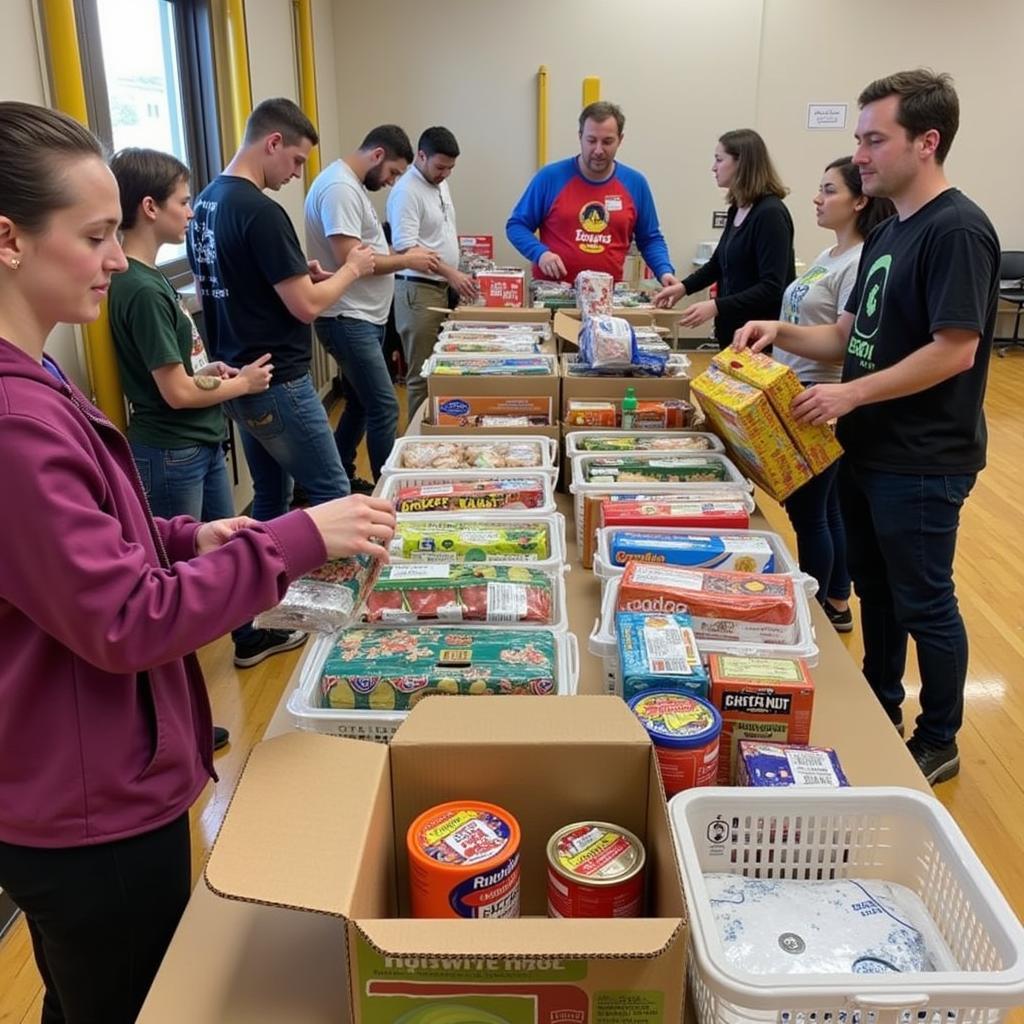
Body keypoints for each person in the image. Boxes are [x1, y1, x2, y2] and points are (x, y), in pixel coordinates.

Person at [0, 101, 396, 1024]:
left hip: (93, 779)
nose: (115, 257)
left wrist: (192, 537)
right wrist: (292, 537)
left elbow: (80, 555)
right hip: (86, 803)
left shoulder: (40, 374)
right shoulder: (15, 421)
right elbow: (124, 618)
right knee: (132, 999)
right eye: (96, 235)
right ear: (10, 240)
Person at [733, 70, 999, 785]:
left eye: (876, 139)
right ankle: (881, 702)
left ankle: (938, 734)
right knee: (877, 590)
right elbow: (846, 338)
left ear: (927, 141)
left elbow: (957, 348)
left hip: (923, 457)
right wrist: (777, 328)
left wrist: (851, 397)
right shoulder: (887, 232)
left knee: (924, 598)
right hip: (869, 448)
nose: (862, 154)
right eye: (859, 138)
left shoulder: (958, 229)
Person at [109, 147, 309, 674]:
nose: (193, 211)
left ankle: (247, 636)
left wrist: (212, 370)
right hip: (171, 448)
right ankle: (178, 688)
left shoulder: (151, 281)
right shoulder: (139, 287)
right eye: (183, 200)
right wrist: (241, 383)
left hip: (197, 440)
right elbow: (173, 392)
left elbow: (177, 372)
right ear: (150, 208)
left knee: (226, 545)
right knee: (173, 575)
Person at [187, 97, 375, 519]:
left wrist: (289, 271)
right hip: (277, 380)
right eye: (295, 160)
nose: (296, 173)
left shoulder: (203, 204)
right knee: (334, 492)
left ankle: (270, 582)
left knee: (271, 495)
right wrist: (352, 268)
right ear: (272, 142)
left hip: (238, 376)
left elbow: (211, 288)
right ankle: (342, 586)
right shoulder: (260, 211)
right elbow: (306, 307)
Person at [775, 157, 895, 634]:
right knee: (826, 509)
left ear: (859, 200)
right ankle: (837, 599)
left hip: (819, 395)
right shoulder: (829, 255)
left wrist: (776, 332)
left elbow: (841, 340)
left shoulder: (859, 261)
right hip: (798, 388)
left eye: (829, 190)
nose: (817, 198)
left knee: (811, 514)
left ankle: (814, 612)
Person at [305, 124, 437, 490]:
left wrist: (397, 256)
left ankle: (340, 478)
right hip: (348, 318)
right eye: (393, 172)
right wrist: (407, 259)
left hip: (360, 317)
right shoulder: (340, 188)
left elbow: (364, 254)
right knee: (384, 406)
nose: (393, 182)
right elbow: (353, 261)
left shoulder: (348, 186)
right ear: (377, 155)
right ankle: (387, 492)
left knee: (362, 404)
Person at [506, 101, 680, 296]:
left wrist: (664, 271)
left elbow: (650, 239)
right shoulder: (550, 177)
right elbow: (516, 226)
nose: (598, 150)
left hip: (606, 298)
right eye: (591, 140)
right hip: (553, 295)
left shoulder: (635, 183)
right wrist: (540, 254)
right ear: (580, 137)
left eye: (607, 142)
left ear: (620, 140)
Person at [655, 129, 794, 345]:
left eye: (719, 160)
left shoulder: (770, 214)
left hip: (758, 338)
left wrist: (716, 306)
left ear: (742, 163)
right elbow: (717, 264)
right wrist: (683, 288)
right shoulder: (737, 209)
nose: (713, 167)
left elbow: (772, 287)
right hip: (731, 331)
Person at [386, 126, 479, 420]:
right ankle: (418, 436)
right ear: (421, 156)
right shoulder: (406, 191)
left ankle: (440, 426)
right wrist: (451, 273)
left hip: (440, 287)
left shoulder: (439, 183)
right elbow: (408, 250)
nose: (445, 173)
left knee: (442, 368)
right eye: (440, 167)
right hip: (418, 291)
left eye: (451, 168)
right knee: (421, 375)